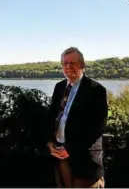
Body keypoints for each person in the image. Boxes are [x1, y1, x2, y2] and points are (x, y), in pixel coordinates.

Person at [46, 47, 109, 188]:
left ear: (82, 65)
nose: (68, 66)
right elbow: (52, 117)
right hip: (60, 157)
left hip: (85, 162)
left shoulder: (96, 90)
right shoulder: (59, 87)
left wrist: (69, 150)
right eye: (65, 63)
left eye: (72, 63)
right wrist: (50, 142)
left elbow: (96, 128)